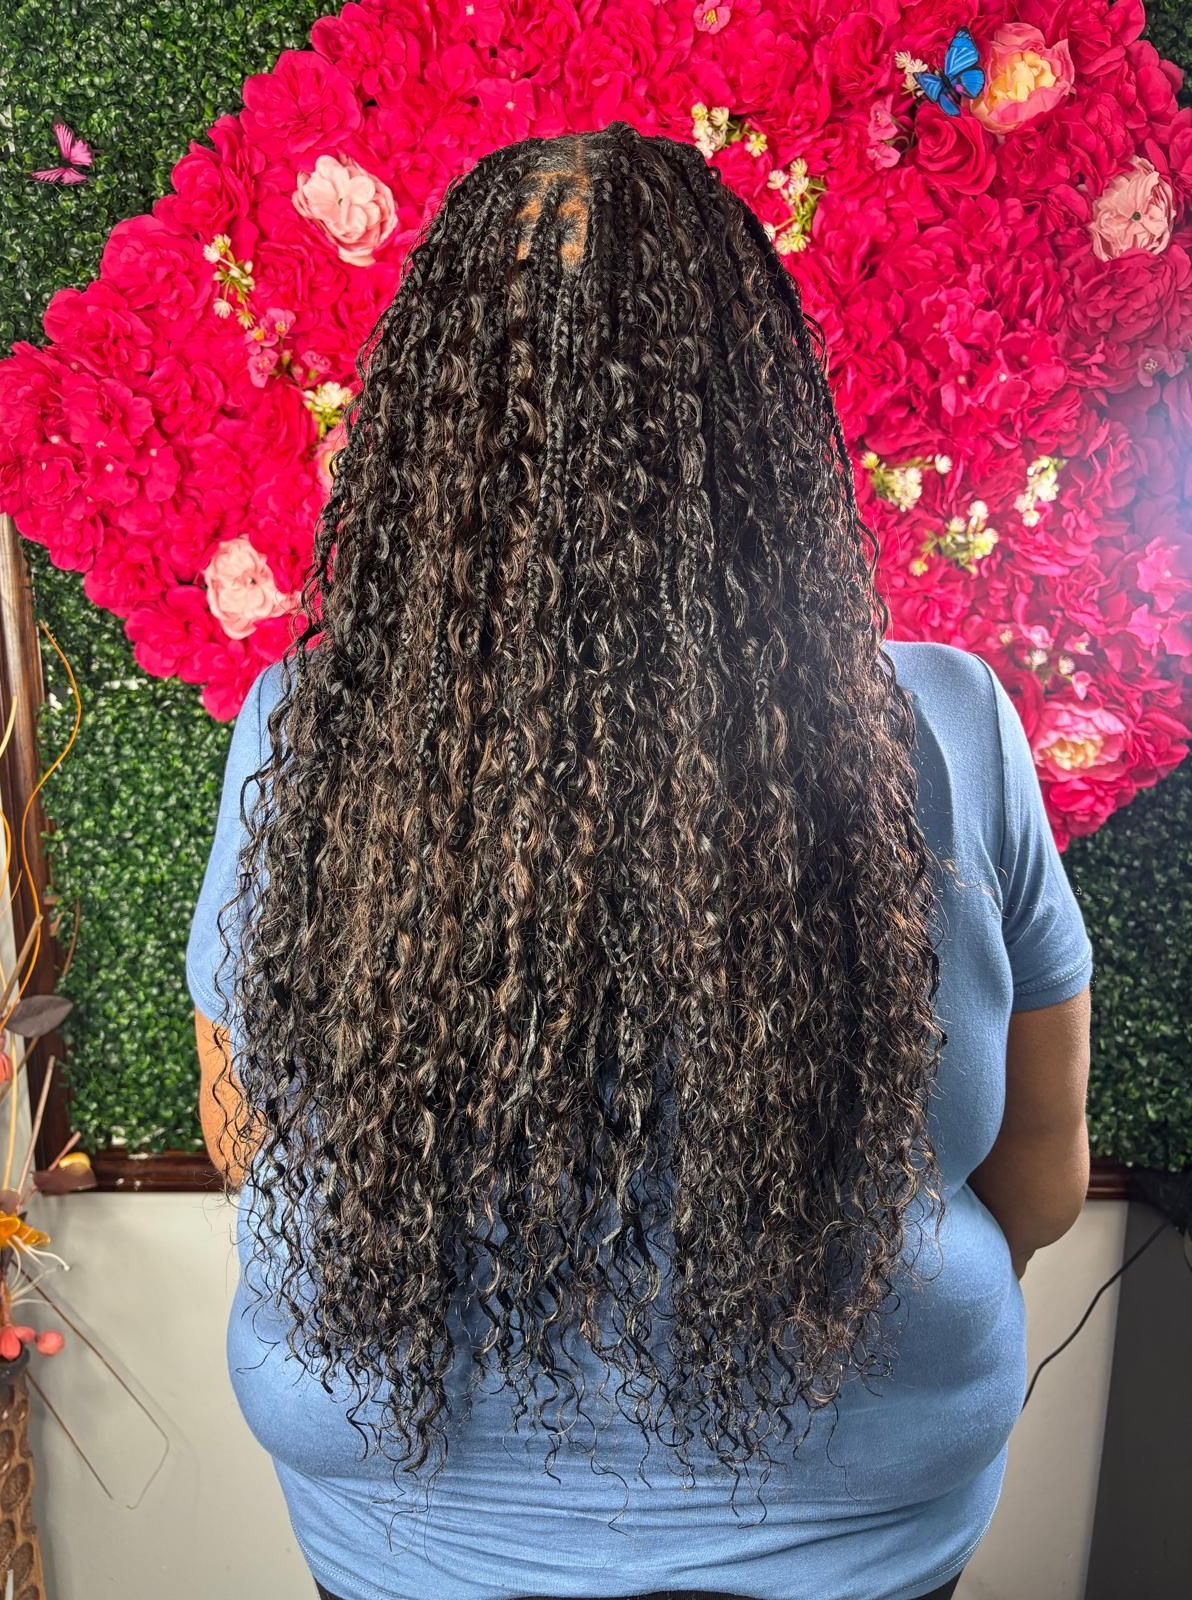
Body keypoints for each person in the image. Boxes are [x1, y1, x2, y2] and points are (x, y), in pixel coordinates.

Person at [186, 121, 1094, 1600]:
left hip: (413, 1550)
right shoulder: (944, 725)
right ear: (756, 409)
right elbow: (1041, 1179)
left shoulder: (304, 727)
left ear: (435, 421)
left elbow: (248, 1144)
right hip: (860, 1546)